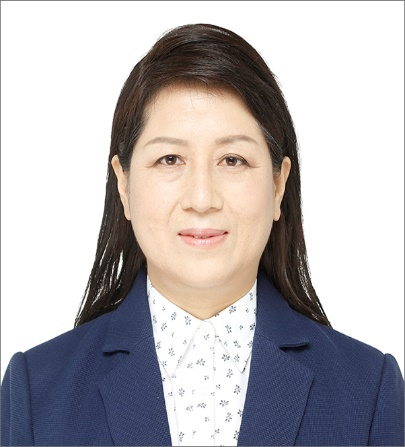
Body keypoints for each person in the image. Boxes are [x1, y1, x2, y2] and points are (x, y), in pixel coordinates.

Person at [1, 23, 403, 446]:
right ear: (124, 184)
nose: (201, 198)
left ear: (278, 184)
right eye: (170, 159)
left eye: (232, 160)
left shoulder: (369, 391)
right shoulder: (36, 393)